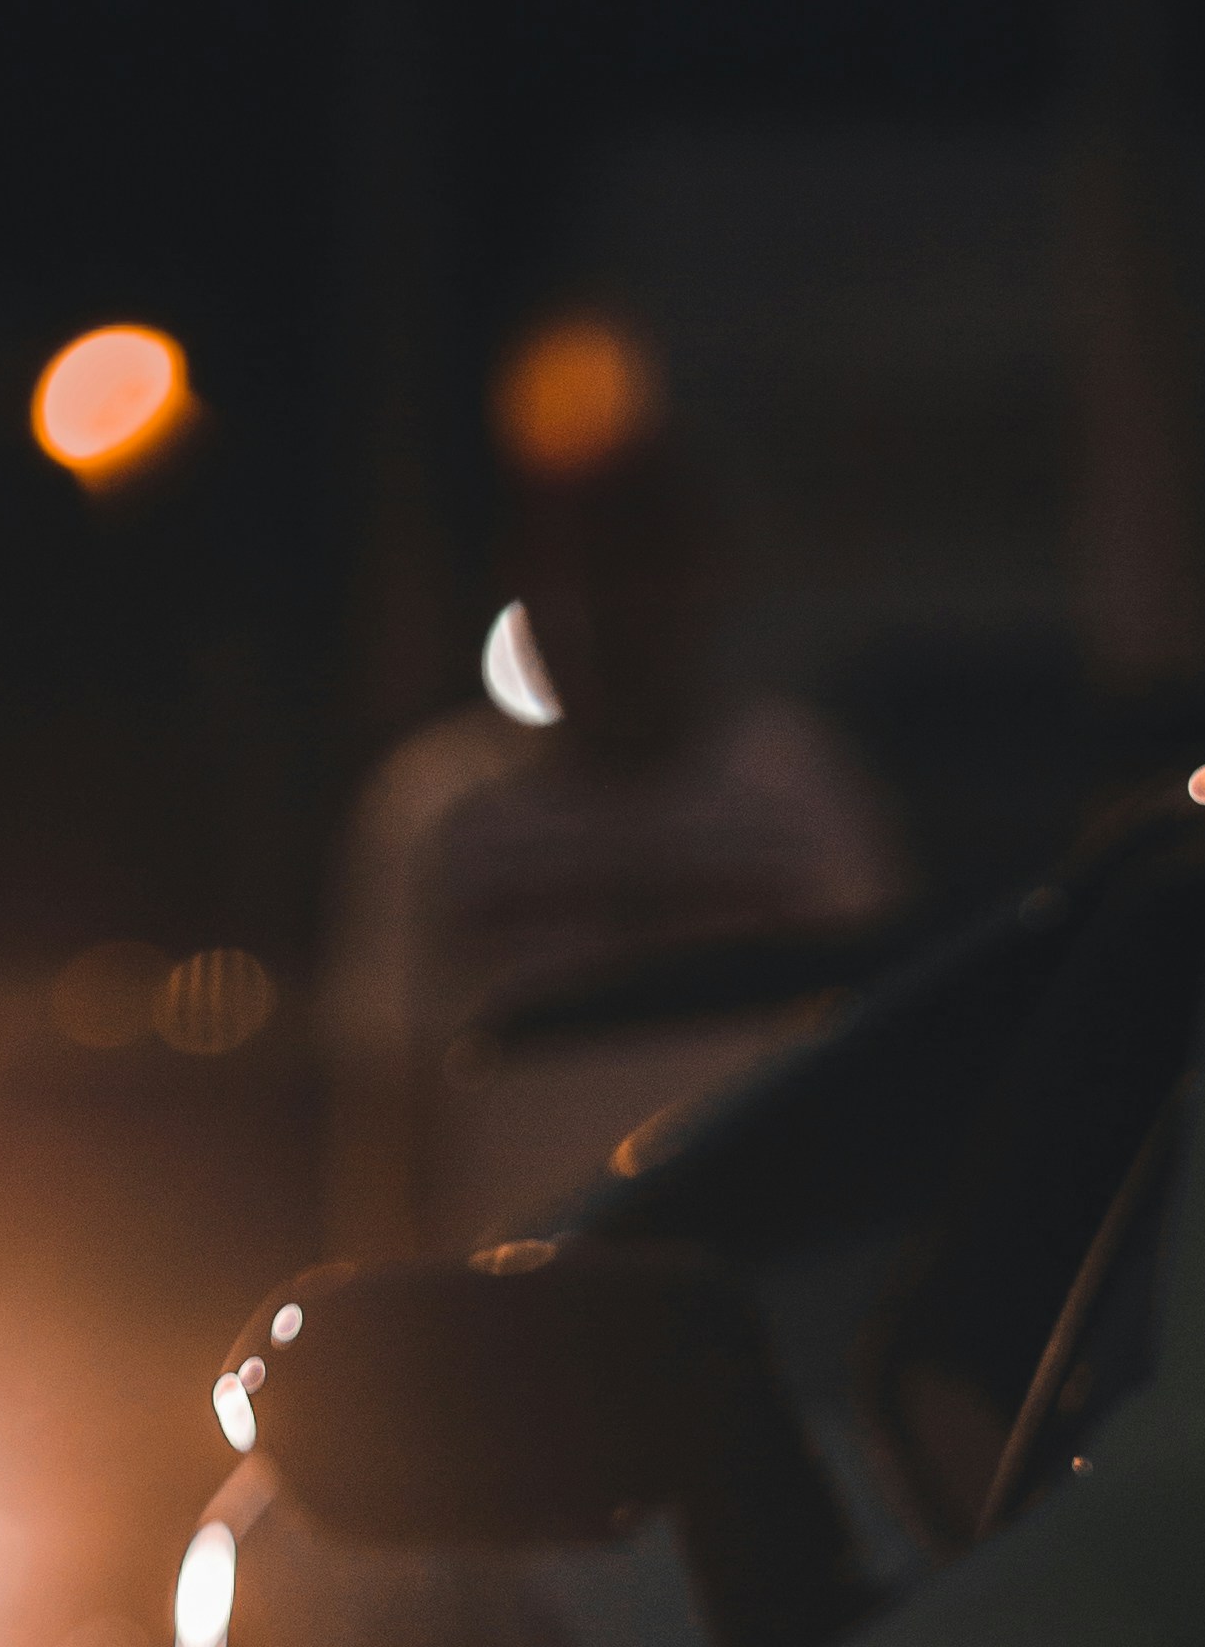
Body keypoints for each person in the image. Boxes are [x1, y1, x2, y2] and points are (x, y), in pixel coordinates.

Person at [321, 322, 906, 1262]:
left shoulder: (799, 794)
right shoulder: (437, 812)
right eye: (580, 569)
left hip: (746, 1304)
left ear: (705, 578)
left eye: (644, 564)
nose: (610, 611)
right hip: (511, 1311)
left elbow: (872, 1079)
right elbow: (388, 1113)